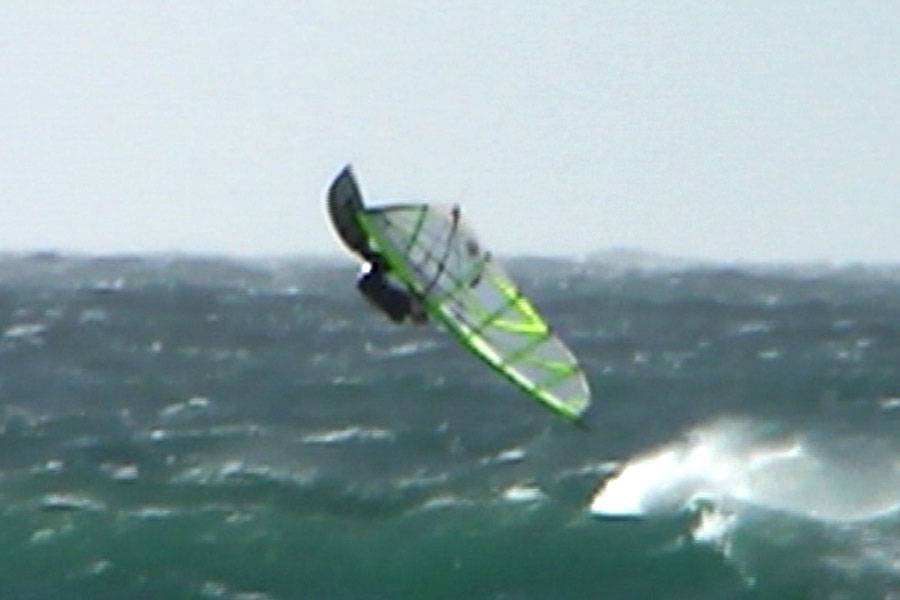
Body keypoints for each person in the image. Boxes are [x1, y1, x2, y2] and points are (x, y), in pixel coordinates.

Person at [356, 252, 428, 324]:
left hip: (371, 284)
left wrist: (417, 297)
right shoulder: (400, 314)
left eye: (420, 310)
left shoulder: (403, 307)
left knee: (374, 258)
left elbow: (412, 298)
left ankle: (365, 251)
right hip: (367, 286)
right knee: (373, 260)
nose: (420, 307)